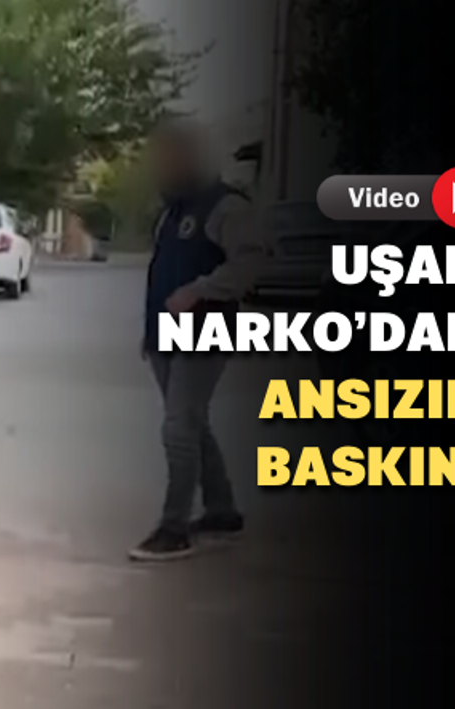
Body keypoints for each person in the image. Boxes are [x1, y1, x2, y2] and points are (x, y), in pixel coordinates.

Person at [130, 118, 266, 562]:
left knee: (178, 428)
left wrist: (200, 290)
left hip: (207, 331)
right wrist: (150, 333)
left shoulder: (226, 207)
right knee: (193, 423)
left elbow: (250, 264)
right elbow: (162, 273)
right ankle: (222, 512)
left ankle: (174, 529)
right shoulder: (171, 210)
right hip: (165, 337)